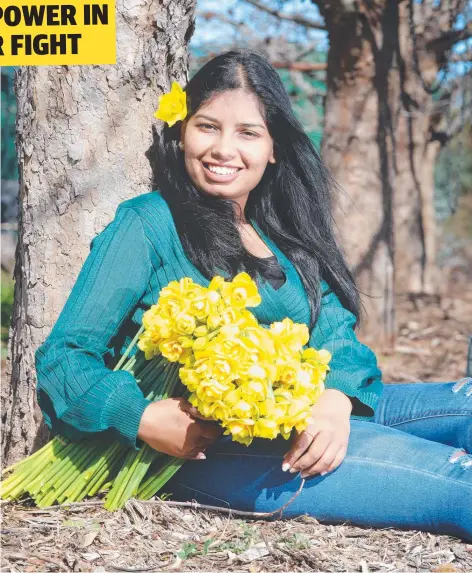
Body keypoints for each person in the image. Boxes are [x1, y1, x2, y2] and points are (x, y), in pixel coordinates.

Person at [35, 48, 472, 541]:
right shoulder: (148, 224)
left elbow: (334, 329)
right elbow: (64, 356)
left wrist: (337, 399)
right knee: (461, 482)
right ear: (182, 132)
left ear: (274, 148)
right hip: (213, 451)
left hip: (306, 413)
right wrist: (139, 415)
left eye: (248, 133)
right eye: (207, 126)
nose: (224, 149)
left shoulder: (283, 232)